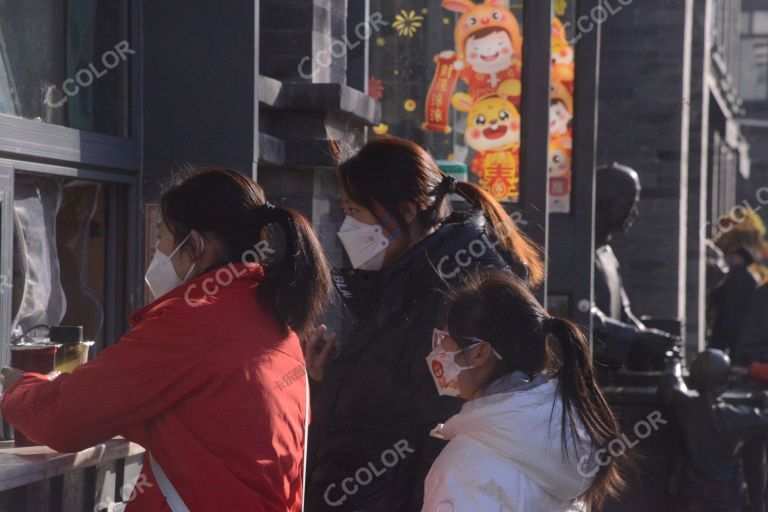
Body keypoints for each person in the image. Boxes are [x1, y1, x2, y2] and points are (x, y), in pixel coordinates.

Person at [1, 168, 332, 511]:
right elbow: (208, 430)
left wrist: (14, 390)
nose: (155, 250)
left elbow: (64, 419)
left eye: (161, 236)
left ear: (195, 245)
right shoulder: (277, 323)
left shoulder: (191, 324)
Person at [304, 137, 543, 511]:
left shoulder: (453, 300)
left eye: (356, 212)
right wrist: (327, 380)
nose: (346, 227)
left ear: (408, 210)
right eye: (344, 211)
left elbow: (432, 432)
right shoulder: (398, 287)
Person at [422, 270, 625, 511]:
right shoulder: (565, 438)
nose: (438, 347)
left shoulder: (466, 465)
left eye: (445, 336)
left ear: (480, 353)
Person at [592, 162, 679, 370]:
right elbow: (584, 314)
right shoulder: (578, 253)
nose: (635, 213)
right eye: (629, 202)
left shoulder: (607, 254)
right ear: (606, 202)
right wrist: (636, 336)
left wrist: (649, 337)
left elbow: (623, 312)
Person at [660, 349, 768, 512]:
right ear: (724, 381)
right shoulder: (736, 418)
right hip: (725, 500)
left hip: (691, 498)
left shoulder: (683, 406)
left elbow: (670, 384)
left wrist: (674, 361)